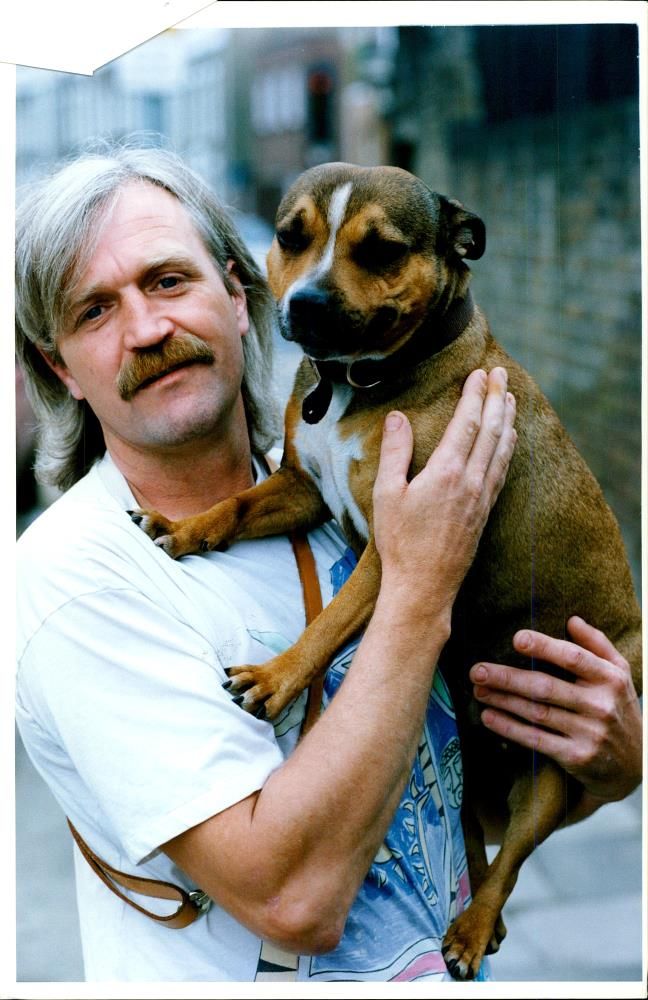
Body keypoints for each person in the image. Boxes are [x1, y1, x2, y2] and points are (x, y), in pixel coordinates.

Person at [15, 143, 642, 983]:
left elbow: (454, 802)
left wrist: (612, 767)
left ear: (238, 294)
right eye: (95, 311)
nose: (149, 327)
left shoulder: (348, 486)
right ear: (58, 366)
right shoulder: (78, 583)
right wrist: (420, 585)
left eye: (168, 281)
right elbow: (295, 902)